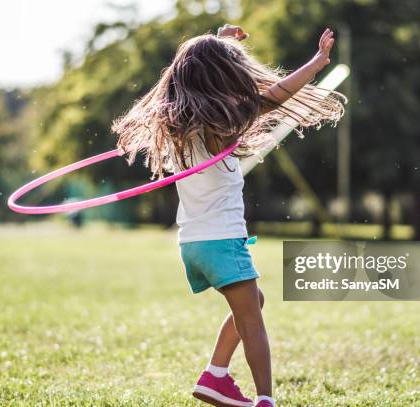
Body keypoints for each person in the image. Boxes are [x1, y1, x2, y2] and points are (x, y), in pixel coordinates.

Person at [112, 23, 344, 407]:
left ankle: (215, 375)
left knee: (255, 302)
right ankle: (266, 400)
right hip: (222, 240)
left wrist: (219, 43)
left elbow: (203, 71)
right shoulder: (221, 127)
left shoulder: (180, 126)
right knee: (252, 321)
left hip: (193, 243)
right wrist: (317, 62)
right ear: (221, 77)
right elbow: (275, 96)